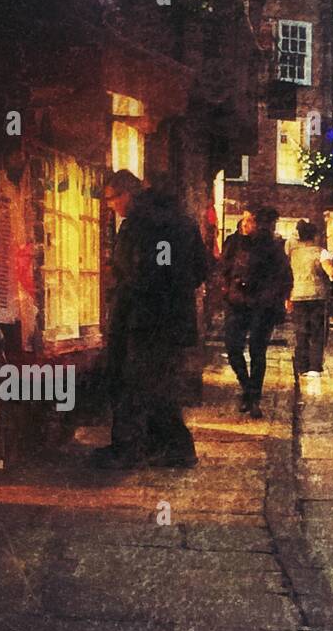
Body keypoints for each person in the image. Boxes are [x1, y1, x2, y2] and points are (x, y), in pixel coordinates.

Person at [93, 169, 208, 470]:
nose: (110, 206)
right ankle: (167, 448)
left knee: (138, 384)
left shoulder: (143, 225)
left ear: (126, 194)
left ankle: (137, 449)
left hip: (144, 318)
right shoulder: (182, 221)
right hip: (170, 319)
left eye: (111, 199)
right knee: (158, 384)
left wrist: (126, 287)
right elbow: (200, 268)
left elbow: (144, 273)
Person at [221, 206, 292, 418]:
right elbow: (223, 268)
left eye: (249, 220)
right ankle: (248, 389)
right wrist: (228, 287)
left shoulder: (272, 247)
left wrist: (271, 297)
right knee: (233, 348)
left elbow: (283, 277)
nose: (245, 224)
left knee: (257, 351)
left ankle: (253, 398)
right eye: (243, 220)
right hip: (236, 303)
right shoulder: (233, 243)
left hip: (262, 306)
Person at [286, 219, 333, 376]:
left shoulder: (293, 254)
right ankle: (314, 367)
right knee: (317, 331)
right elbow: (331, 271)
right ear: (315, 236)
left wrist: (287, 297)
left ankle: (302, 365)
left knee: (301, 331)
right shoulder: (321, 252)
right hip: (317, 296)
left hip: (297, 295)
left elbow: (287, 275)